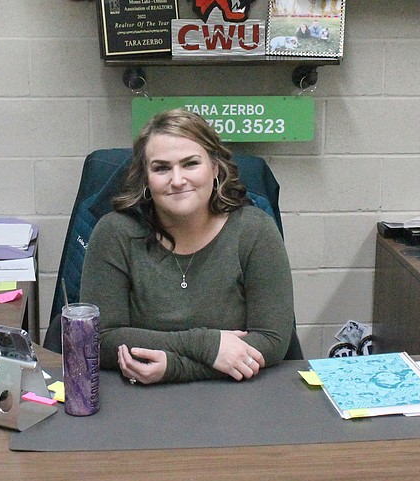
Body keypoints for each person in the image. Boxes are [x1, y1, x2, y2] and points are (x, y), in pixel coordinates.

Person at [80, 108, 294, 385]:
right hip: (136, 402)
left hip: (237, 398)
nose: (178, 180)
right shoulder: (115, 233)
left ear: (215, 168)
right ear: (146, 178)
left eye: (191, 163)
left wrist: (176, 367)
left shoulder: (254, 230)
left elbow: (272, 340)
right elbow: (100, 338)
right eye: (161, 168)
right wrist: (207, 343)